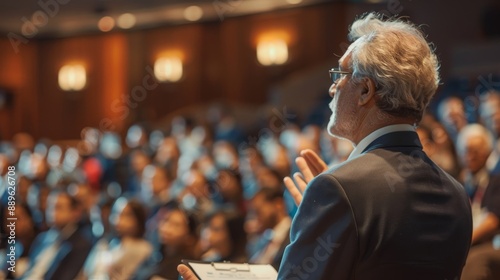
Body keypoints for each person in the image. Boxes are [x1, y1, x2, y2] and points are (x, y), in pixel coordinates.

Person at [178, 12, 472, 280]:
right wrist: (325, 218)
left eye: (340, 75)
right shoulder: (457, 194)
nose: (332, 87)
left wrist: (335, 203)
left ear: (366, 91)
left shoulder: (341, 189)